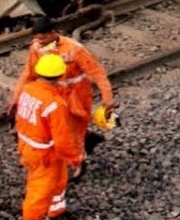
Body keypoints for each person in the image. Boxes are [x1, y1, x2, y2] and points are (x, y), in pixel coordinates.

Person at [9, 17, 114, 163]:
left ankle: (79, 161)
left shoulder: (74, 49)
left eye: (44, 38)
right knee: (58, 127)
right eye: (38, 39)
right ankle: (83, 145)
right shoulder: (37, 47)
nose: (41, 42)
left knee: (75, 127)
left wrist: (107, 97)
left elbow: (96, 72)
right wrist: (17, 96)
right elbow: (29, 73)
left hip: (76, 94)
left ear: (53, 33)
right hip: (53, 94)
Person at [15, 54, 82, 220]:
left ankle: (56, 210)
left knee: (59, 179)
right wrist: (75, 158)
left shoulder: (28, 89)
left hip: (29, 146)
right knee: (38, 193)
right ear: (60, 75)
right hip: (44, 154)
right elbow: (62, 139)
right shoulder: (54, 104)